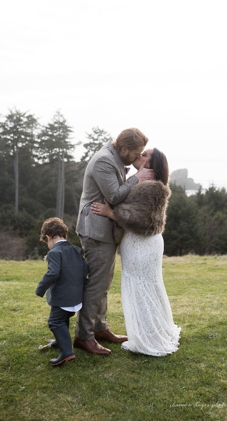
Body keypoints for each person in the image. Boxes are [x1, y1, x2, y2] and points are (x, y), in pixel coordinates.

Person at [91, 148, 179, 356]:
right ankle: (149, 333)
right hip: (137, 242)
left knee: (141, 287)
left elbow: (141, 219)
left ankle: (149, 339)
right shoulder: (141, 182)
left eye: (145, 155)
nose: (140, 155)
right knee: (142, 286)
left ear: (151, 164)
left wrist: (111, 213)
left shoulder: (153, 188)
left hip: (143, 243)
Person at [74, 127, 153, 355]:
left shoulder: (115, 157)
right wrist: (137, 178)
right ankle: (83, 336)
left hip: (104, 230)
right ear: (124, 148)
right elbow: (115, 196)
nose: (138, 157)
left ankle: (100, 328)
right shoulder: (104, 161)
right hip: (96, 230)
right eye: (136, 153)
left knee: (104, 282)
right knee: (96, 284)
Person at [35, 218, 89, 367]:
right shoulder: (76, 250)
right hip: (76, 297)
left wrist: (40, 288)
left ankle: (67, 352)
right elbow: (85, 270)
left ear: (48, 237)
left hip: (62, 297)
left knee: (55, 321)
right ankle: (60, 342)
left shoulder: (55, 252)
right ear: (65, 235)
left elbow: (53, 273)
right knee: (63, 319)